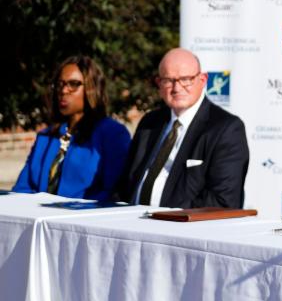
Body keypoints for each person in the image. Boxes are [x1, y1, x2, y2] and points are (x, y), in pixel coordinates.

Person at [115, 48, 249, 208]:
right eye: (168, 80)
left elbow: (223, 201)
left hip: (183, 228)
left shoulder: (226, 129)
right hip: (129, 222)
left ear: (203, 79)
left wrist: (164, 217)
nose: (176, 88)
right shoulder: (149, 123)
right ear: (159, 83)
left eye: (186, 79)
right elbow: (125, 185)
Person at [13, 56, 131, 200]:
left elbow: (114, 192)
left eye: (73, 84)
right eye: (60, 84)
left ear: (92, 88)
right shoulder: (45, 136)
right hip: (38, 218)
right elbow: (22, 189)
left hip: (84, 218)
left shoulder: (112, 134)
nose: (63, 90)